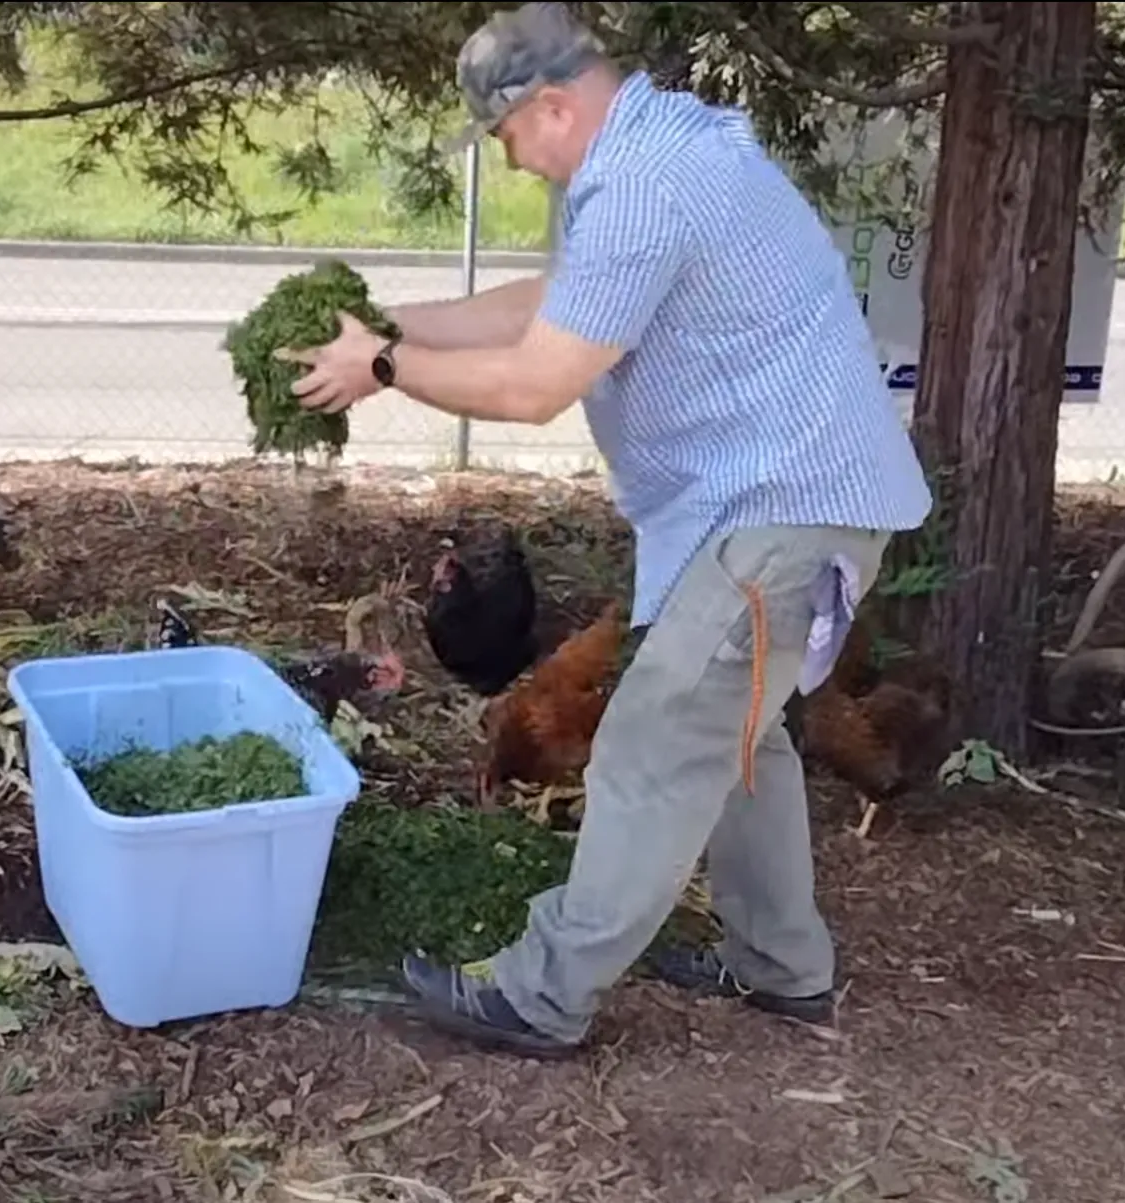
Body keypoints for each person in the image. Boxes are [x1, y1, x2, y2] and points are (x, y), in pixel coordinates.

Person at [275, 1, 934, 1057]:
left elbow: (537, 383)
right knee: (738, 741)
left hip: (778, 512)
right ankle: (785, 971)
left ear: (550, 103)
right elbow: (557, 300)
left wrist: (386, 371)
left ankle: (542, 995)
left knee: (652, 744)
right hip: (775, 507)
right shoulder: (652, 154)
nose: (511, 157)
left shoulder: (641, 181)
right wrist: (394, 326)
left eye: (506, 136)